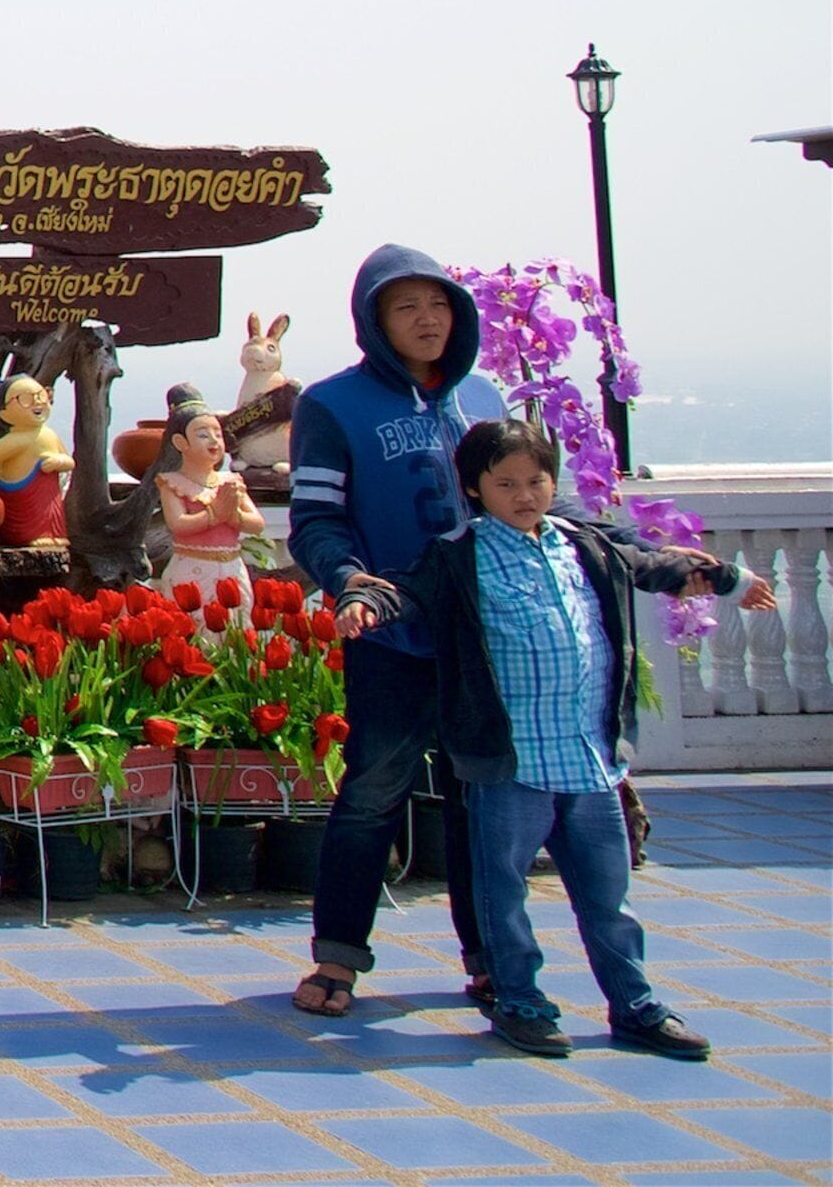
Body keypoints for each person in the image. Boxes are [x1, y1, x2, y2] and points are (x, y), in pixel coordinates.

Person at [339, 420, 771, 1058]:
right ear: (475, 489)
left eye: (536, 480)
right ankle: (519, 1001)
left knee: (609, 902)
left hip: (589, 763)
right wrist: (367, 606)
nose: (525, 495)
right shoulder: (458, 554)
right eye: (505, 483)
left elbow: (656, 566)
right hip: (510, 767)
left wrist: (729, 581)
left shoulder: (585, 545)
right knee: (502, 897)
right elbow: (405, 591)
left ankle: (636, 1006)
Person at [283, 245, 509, 1016]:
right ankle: (338, 961)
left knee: (482, 803)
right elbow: (315, 520)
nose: (427, 320)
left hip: (483, 642)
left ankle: (492, 963)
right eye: (406, 306)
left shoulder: (484, 397)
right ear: (373, 321)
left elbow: (530, 505)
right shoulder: (333, 405)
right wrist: (347, 578)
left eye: (439, 304)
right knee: (372, 796)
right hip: (390, 642)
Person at [151, 386, 261, 604]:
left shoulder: (230, 482)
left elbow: (257, 524)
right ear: (181, 443)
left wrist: (234, 517)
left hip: (232, 568)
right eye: (203, 435)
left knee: (234, 624)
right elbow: (178, 524)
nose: (213, 441)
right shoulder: (172, 483)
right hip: (193, 569)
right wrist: (214, 514)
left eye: (217, 434)